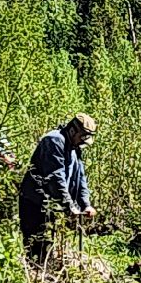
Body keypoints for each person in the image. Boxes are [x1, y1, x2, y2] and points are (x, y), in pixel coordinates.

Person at [19, 114, 97, 270]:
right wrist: (70, 206)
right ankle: (35, 282)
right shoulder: (54, 141)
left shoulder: (75, 148)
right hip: (36, 203)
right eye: (82, 136)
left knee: (48, 244)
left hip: (52, 205)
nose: (83, 141)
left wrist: (86, 204)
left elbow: (80, 178)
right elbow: (56, 178)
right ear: (73, 130)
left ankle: (44, 274)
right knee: (37, 247)